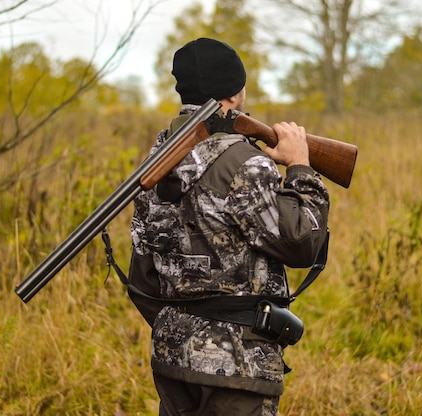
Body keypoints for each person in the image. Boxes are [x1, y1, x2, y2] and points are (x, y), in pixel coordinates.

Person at [128, 37, 330, 416]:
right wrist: (300, 167)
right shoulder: (244, 162)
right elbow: (303, 244)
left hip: (174, 362)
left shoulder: (153, 165)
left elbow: (142, 280)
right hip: (240, 368)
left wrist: (187, 331)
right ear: (236, 95)